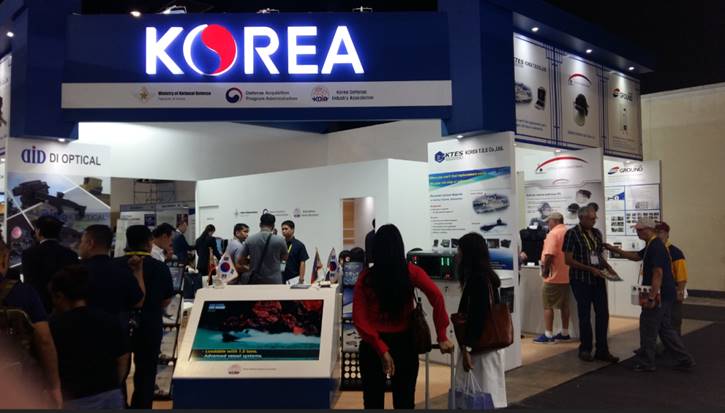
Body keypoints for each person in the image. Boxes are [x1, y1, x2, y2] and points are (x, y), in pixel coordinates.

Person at [353, 224, 454, 409]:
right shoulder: (411, 272)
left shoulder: (365, 278)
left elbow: (360, 319)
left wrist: (382, 349)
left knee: (373, 402)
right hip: (405, 345)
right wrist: (441, 335)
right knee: (405, 401)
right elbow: (437, 297)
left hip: (372, 347)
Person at [604, 218, 695, 372]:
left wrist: (652, 297)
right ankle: (684, 358)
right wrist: (615, 250)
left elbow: (658, 273)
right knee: (665, 329)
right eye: (637, 229)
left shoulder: (656, 247)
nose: (637, 232)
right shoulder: (652, 245)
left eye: (640, 230)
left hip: (659, 294)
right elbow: (636, 256)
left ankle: (646, 361)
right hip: (665, 294)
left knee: (648, 327)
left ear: (650, 229)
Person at [48, 265, 127, 408]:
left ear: (59, 296)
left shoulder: (54, 326)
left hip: (74, 400)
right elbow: (123, 358)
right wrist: (113, 385)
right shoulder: (108, 319)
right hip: (111, 395)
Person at [78, 224, 144, 391]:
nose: (80, 245)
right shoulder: (122, 271)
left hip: (84, 340)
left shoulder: (76, 273)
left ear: (90, 243)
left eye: (82, 241)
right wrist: (138, 272)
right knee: (116, 388)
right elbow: (138, 301)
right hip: (118, 339)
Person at [114, 225, 174, 409]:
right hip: (150, 325)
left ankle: (120, 406)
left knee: (118, 372)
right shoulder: (160, 268)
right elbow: (166, 300)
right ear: (149, 243)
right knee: (146, 373)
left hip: (119, 326)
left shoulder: (115, 265)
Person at [1, 237, 63, 408]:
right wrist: (54, 386)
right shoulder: (23, 293)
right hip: (16, 382)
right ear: (4, 258)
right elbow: (44, 340)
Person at [455, 233, 507, 408]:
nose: (457, 255)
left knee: (481, 396)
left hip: (480, 348)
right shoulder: (486, 277)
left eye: (460, 251)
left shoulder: (478, 280)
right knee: (485, 396)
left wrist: (468, 348)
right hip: (486, 347)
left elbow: (478, 316)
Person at [562, 206, 619, 363]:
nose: (594, 221)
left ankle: (602, 350)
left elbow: (598, 255)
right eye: (591, 219)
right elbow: (568, 260)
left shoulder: (597, 233)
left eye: (595, 218)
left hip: (598, 279)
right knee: (584, 315)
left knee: (603, 314)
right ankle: (585, 349)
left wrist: (608, 267)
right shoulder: (572, 234)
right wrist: (589, 269)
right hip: (581, 280)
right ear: (581, 218)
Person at [21, 215, 79, 313]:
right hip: (65, 307)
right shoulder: (71, 254)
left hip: (39, 307)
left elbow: (29, 283)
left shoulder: (29, 254)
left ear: (38, 231)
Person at [533, 212, 571, 344]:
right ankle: (565, 333)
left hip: (553, 277)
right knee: (565, 305)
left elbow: (549, 255)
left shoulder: (553, 234)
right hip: (567, 275)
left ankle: (548, 335)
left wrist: (545, 271)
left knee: (548, 305)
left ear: (554, 221)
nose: (548, 224)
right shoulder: (568, 232)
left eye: (548, 222)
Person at [655, 221, 688, 336]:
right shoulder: (654, 250)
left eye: (660, 232)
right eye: (655, 233)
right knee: (660, 323)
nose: (658, 236)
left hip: (672, 292)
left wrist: (680, 291)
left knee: (674, 321)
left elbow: (681, 276)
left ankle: (676, 344)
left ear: (667, 234)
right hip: (658, 293)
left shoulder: (675, 252)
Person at [239, 214, 288, 285]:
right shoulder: (280, 240)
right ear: (273, 226)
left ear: (260, 224)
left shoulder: (250, 239)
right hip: (274, 281)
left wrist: (253, 260)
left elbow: (241, 260)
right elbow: (285, 257)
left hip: (255, 280)